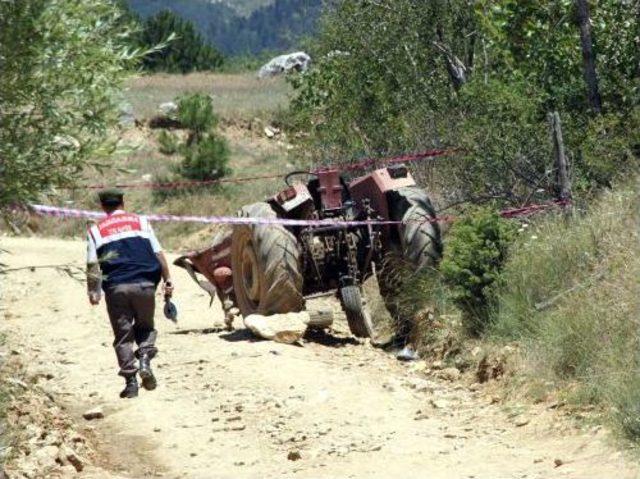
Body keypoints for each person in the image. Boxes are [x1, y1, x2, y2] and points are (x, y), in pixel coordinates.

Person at [86, 189, 174, 398]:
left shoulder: (95, 230)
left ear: (102, 206)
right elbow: (157, 252)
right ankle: (144, 357)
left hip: (116, 288)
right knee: (146, 327)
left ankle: (131, 383)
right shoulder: (141, 222)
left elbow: (93, 264)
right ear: (123, 202)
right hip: (145, 285)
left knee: (123, 335)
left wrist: (93, 291)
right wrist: (168, 279)